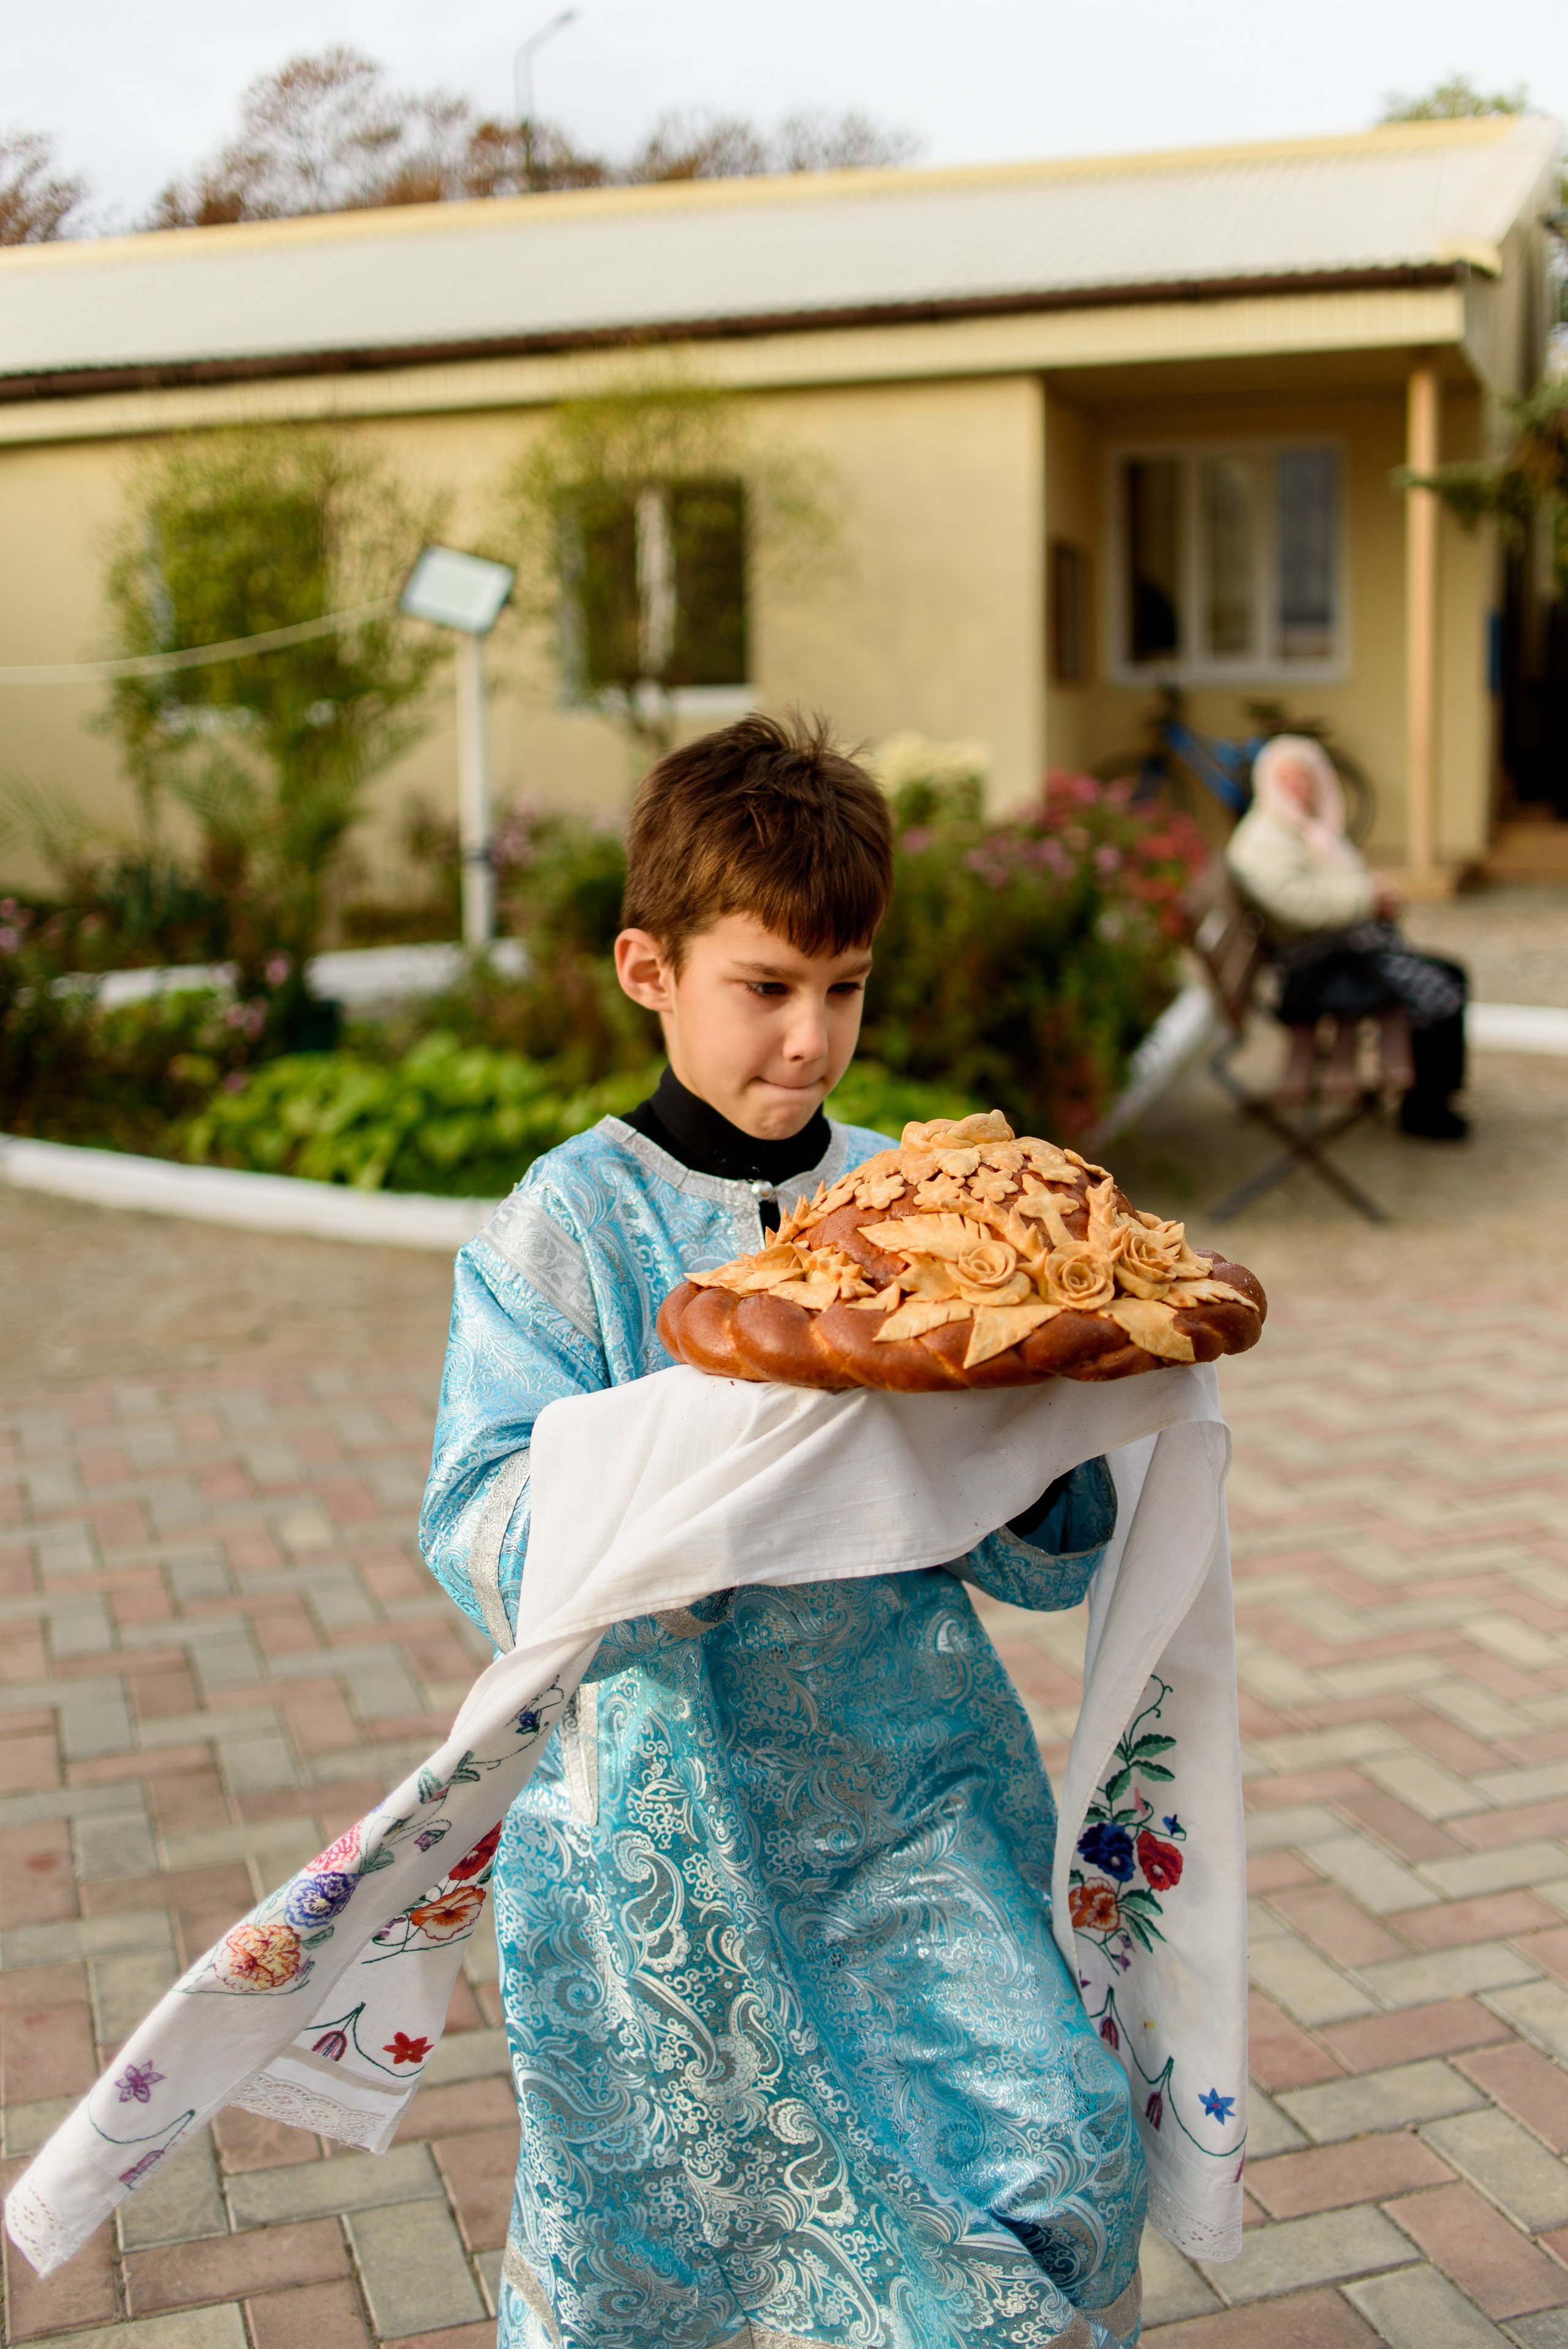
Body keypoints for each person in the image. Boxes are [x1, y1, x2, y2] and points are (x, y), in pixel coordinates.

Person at [419, 714, 1145, 2349]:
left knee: (1055, 2140)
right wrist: (739, 1433)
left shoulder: (915, 1203)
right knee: (665, 2247)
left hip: (910, 1790)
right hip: (658, 1826)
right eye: (767, 986)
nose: (813, 1040)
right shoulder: (569, 1226)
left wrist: (1035, 1434)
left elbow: (1035, 1552)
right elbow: (477, 1519)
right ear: (648, 967)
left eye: (848, 986)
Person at [1226, 734, 1470, 1140]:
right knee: (1438, 992)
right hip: (1320, 971)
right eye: (1288, 781)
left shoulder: (1301, 829)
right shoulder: (1261, 840)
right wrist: (1369, 898)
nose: (1299, 790)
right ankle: (1426, 1110)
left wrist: (1371, 897)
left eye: (1305, 779)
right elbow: (1297, 905)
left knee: (1451, 974)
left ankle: (1435, 1098)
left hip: (1341, 951)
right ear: (1268, 782)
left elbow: (1325, 892)